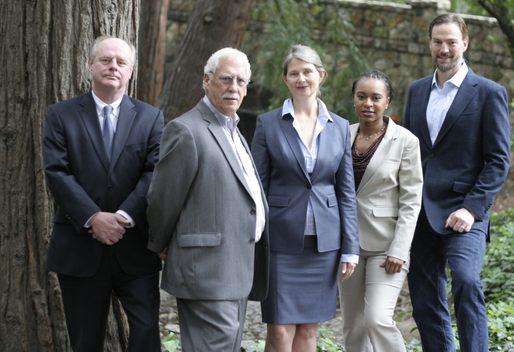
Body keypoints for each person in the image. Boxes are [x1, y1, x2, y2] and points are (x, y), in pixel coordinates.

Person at [42, 36, 163, 352]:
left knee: (147, 333)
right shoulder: (61, 115)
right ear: (89, 65)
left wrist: (122, 217)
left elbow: (155, 172)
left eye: (121, 62)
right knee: (85, 341)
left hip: (134, 249)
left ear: (130, 71)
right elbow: (57, 172)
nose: (113, 67)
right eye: (106, 60)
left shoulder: (151, 118)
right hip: (80, 248)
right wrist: (93, 218)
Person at [146, 47, 269, 352]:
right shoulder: (186, 130)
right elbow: (163, 199)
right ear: (206, 80)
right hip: (206, 269)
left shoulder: (234, 130)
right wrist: (161, 244)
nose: (235, 88)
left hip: (236, 267)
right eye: (226, 79)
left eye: (242, 82)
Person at [404, 13, 511, 352]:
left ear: (465, 43)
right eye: (438, 41)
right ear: (429, 44)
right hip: (420, 211)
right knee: (424, 294)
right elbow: (409, 152)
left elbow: (498, 161)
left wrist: (471, 208)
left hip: (465, 212)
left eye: (451, 42)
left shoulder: (489, 93)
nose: (444, 49)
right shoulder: (417, 91)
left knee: (466, 281)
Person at [251, 44, 359, 352]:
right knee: (280, 331)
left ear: (321, 75)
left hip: (324, 243)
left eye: (308, 72)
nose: (302, 79)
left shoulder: (339, 127)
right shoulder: (268, 123)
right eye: (294, 73)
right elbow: (256, 185)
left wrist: (350, 248)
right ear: (285, 79)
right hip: (280, 242)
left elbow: (346, 193)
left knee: (309, 332)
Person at [339, 71, 423, 352]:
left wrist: (400, 249)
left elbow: (411, 200)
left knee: (377, 319)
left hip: (386, 247)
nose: (368, 103)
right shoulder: (340, 134)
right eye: (362, 96)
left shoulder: (406, 142)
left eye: (376, 97)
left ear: (387, 101)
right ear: (354, 99)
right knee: (353, 325)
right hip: (347, 244)